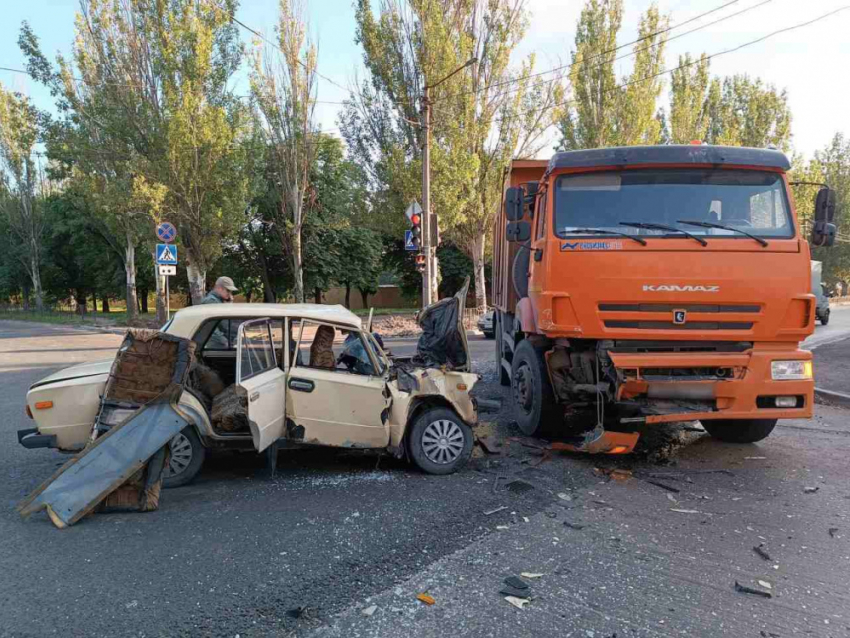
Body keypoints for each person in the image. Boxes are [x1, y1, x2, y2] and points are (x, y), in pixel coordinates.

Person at [202, 277, 238, 349]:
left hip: (223, 343)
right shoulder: (211, 301)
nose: (230, 294)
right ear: (219, 288)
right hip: (216, 345)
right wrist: (223, 341)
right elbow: (211, 328)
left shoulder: (220, 301)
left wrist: (229, 304)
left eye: (231, 291)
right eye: (228, 290)